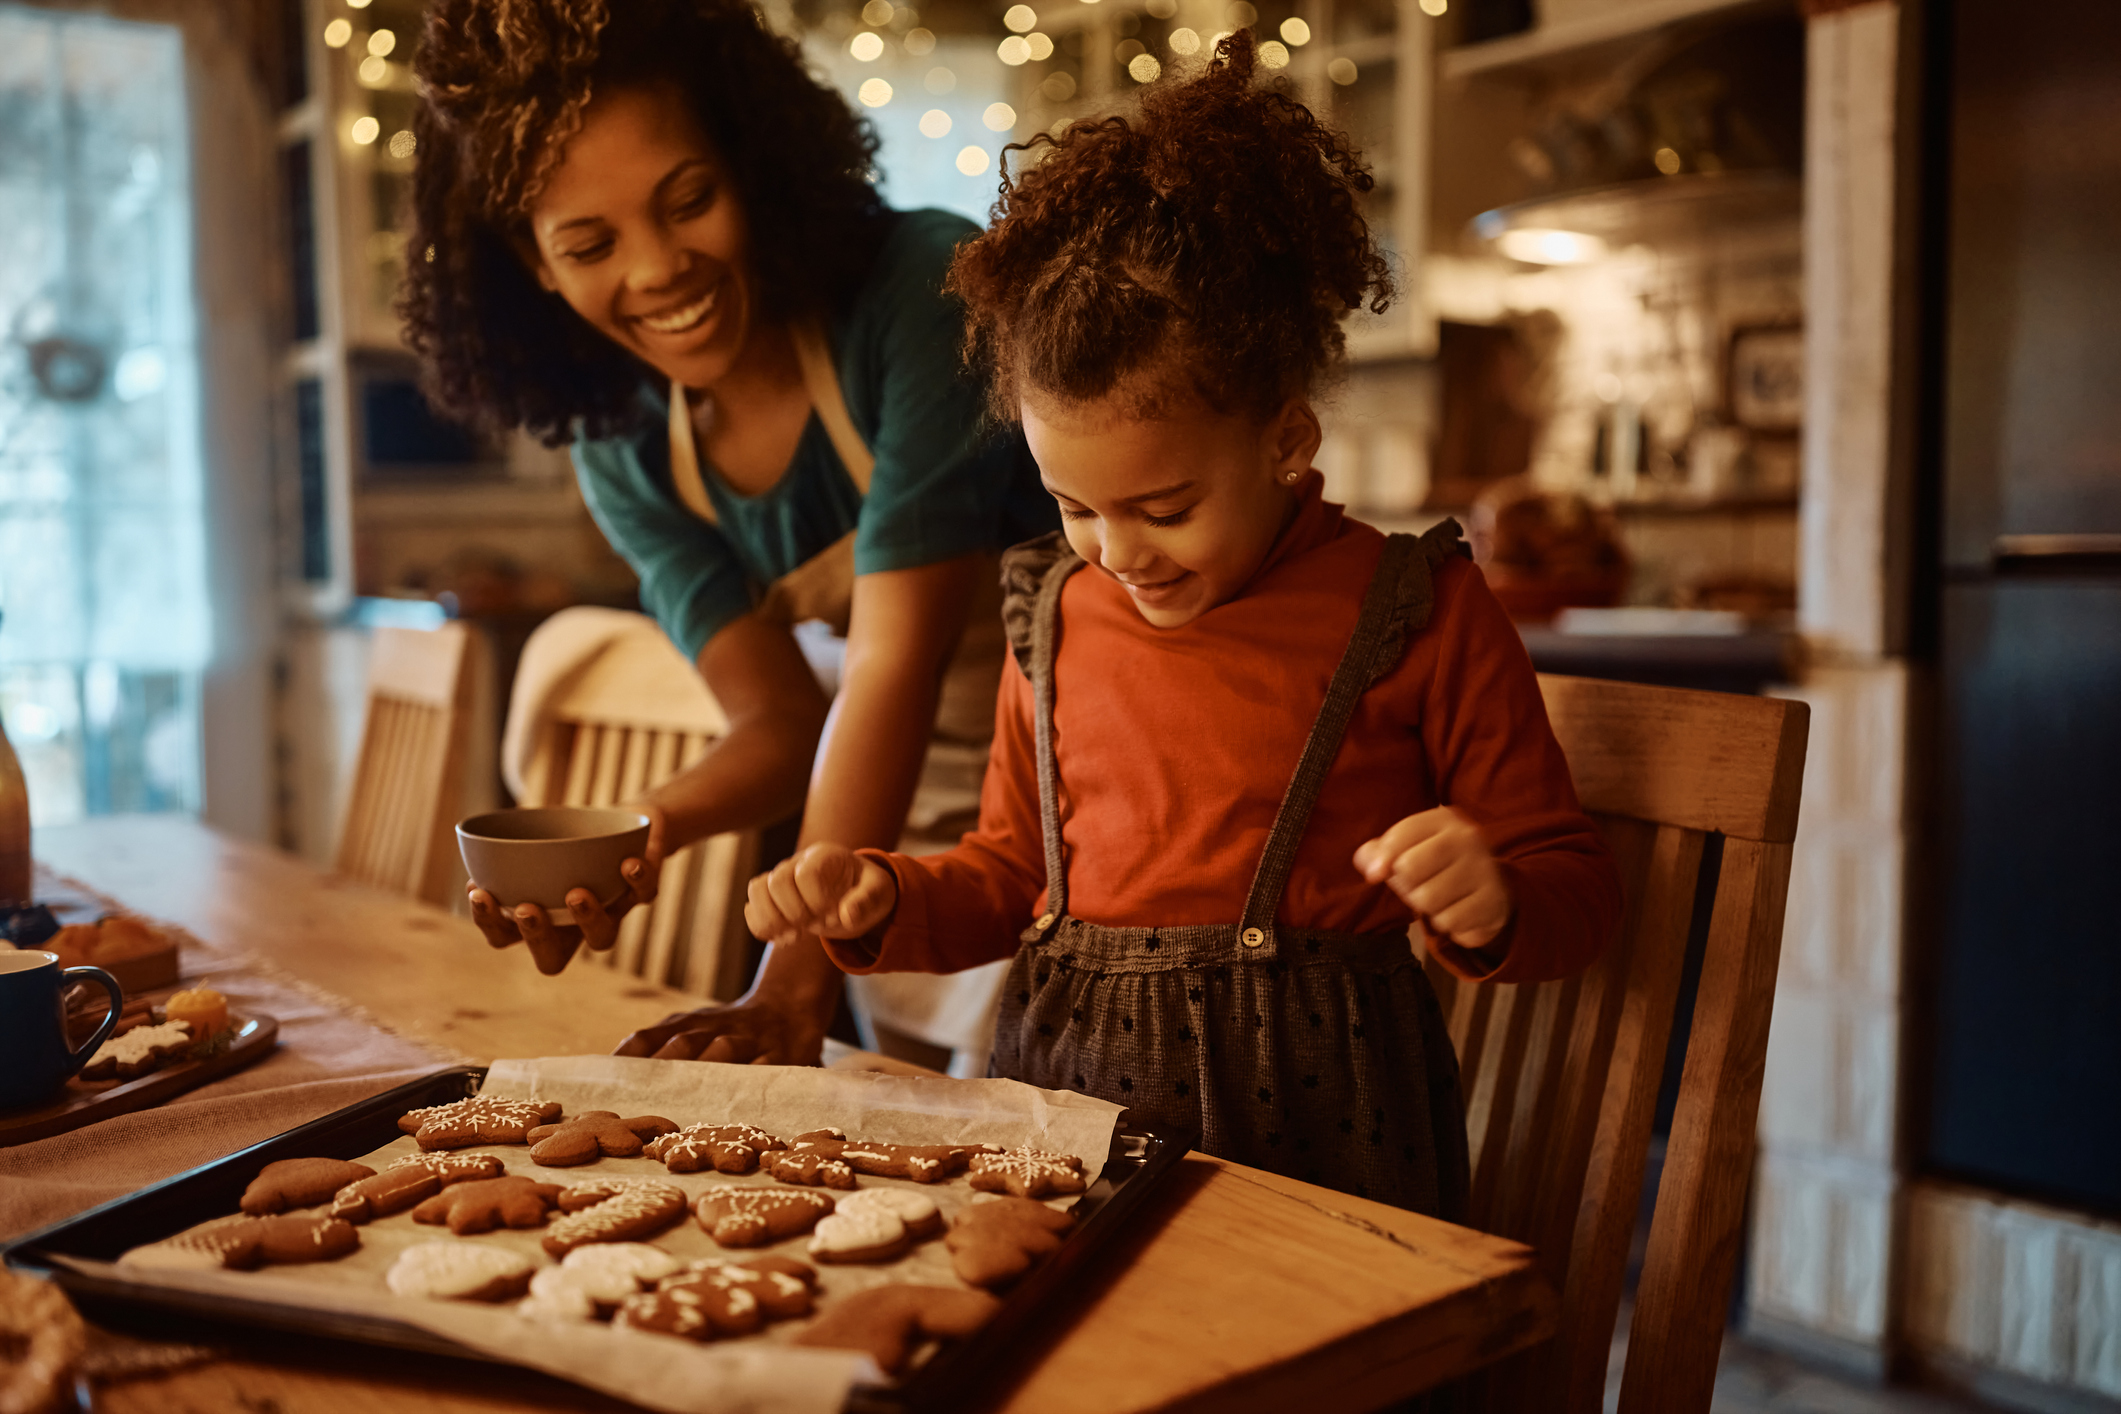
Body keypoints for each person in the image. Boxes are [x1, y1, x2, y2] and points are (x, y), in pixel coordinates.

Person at [740, 34, 1623, 1213]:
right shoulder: (1053, 615)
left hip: (1327, 1158)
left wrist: (1495, 899)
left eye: (1165, 507)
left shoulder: (1417, 611)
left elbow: (1574, 887)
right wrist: (883, 899)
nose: (1118, 552)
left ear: (1286, 442)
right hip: (1070, 1132)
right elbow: (1011, 875)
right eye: (1073, 507)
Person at [401, 0, 1052, 1062]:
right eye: (590, 242)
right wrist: (632, 837)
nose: (658, 269)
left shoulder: (919, 296)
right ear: (533, 264)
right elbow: (785, 723)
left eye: (689, 199)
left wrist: (792, 978)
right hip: (886, 854)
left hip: (1074, 829)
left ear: (748, 159)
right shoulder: (624, 442)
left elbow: (892, 666)